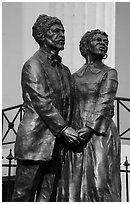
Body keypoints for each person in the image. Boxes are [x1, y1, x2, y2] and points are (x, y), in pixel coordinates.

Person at [12, 14, 80, 202]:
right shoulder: (32, 65)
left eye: (63, 31)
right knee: (23, 195)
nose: (62, 35)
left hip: (58, 143)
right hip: (35, 140)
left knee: (48, 195)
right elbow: (42, 102)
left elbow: (70, 103)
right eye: (56, 31)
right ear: (42, 35)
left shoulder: (65, 71)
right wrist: (64, 129)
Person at [56, 29, 121, 202]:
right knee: (73, 186)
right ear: (86, 46)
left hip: (100, 134)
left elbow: (105, 101)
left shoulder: (109, 72)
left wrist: (91, 128)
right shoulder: (73, 76)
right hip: (76, 135)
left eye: (105, 41)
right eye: (97, 39)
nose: (103, 43)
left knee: (100, 184)